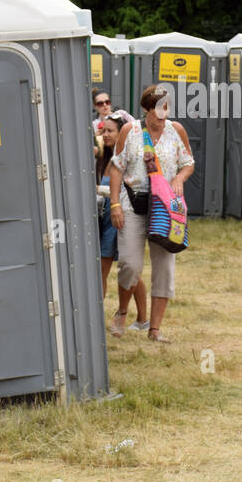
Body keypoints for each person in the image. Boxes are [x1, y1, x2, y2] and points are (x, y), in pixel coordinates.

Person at [108, 84, 195, 343]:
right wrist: (114, 204)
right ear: (146, 109)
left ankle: (154, 329)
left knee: (165, 268)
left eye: (166, 107)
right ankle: (123, 311)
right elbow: (116, 169)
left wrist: (179, 177)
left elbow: (188, 163)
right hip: (133, 204)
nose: (162, 113)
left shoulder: (176, 131)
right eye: (157, 108)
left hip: (166, 209)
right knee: (130, 264)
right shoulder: (130, 131)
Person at [96, 113, 148, 330]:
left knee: (121, 268)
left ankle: (140, 319)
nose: (105, 134)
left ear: (123, 132)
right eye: (103, 130)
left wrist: (100, 191)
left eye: (110, 131)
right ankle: (141, 320)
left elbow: (128, 188)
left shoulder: (129, 158)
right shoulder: (102, 157)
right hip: (105, 218)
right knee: (114, 268)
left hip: (121, 215)